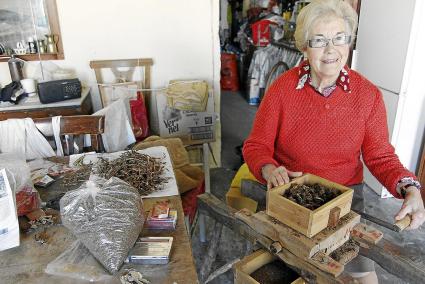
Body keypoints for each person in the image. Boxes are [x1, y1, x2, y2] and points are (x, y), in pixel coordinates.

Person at [242, 0, 425, 283]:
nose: (331, 50)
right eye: (319, 40)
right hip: (291, 194)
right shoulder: (282, 89)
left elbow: (380, 156)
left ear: (349, 42)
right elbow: (256, 146)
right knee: (281, 267)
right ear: (304, 46)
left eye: (340, 38)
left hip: (345, 197)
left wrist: (409, 188)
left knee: (360, 273)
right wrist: (268, 168)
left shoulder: (368, 96)